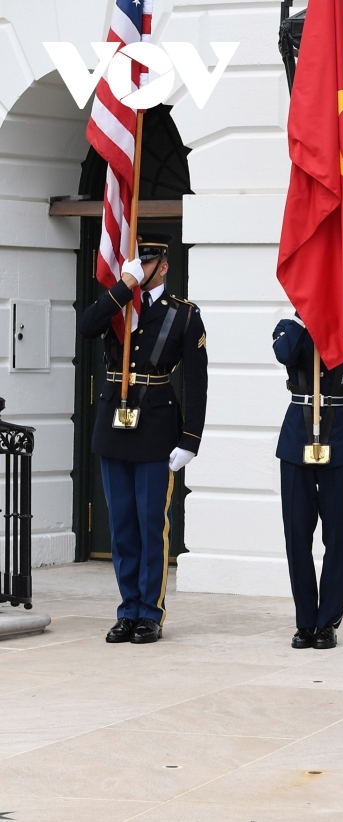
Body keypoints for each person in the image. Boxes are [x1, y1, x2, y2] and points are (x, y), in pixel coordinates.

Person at [78, 233, 207, 645]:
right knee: (122, 527)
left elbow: (197, 383)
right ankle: (127, 609)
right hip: (113, 427)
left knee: (152, 524)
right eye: (135, 261)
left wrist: (190, 439)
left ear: (163, 266)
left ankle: (150, 612)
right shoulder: (118, 305)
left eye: (146, 263)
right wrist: (123, 287)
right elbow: (85, 328)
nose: (138, 267)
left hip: (155, 429)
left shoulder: (183, 314)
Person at [272, 314, 343, 650]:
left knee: (337, 537)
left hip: (341, 439)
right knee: (296, 536)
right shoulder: (288, 328)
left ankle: (327, 622)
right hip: (296, 440)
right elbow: (285, 355)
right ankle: (305, 622)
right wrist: (308, 323)